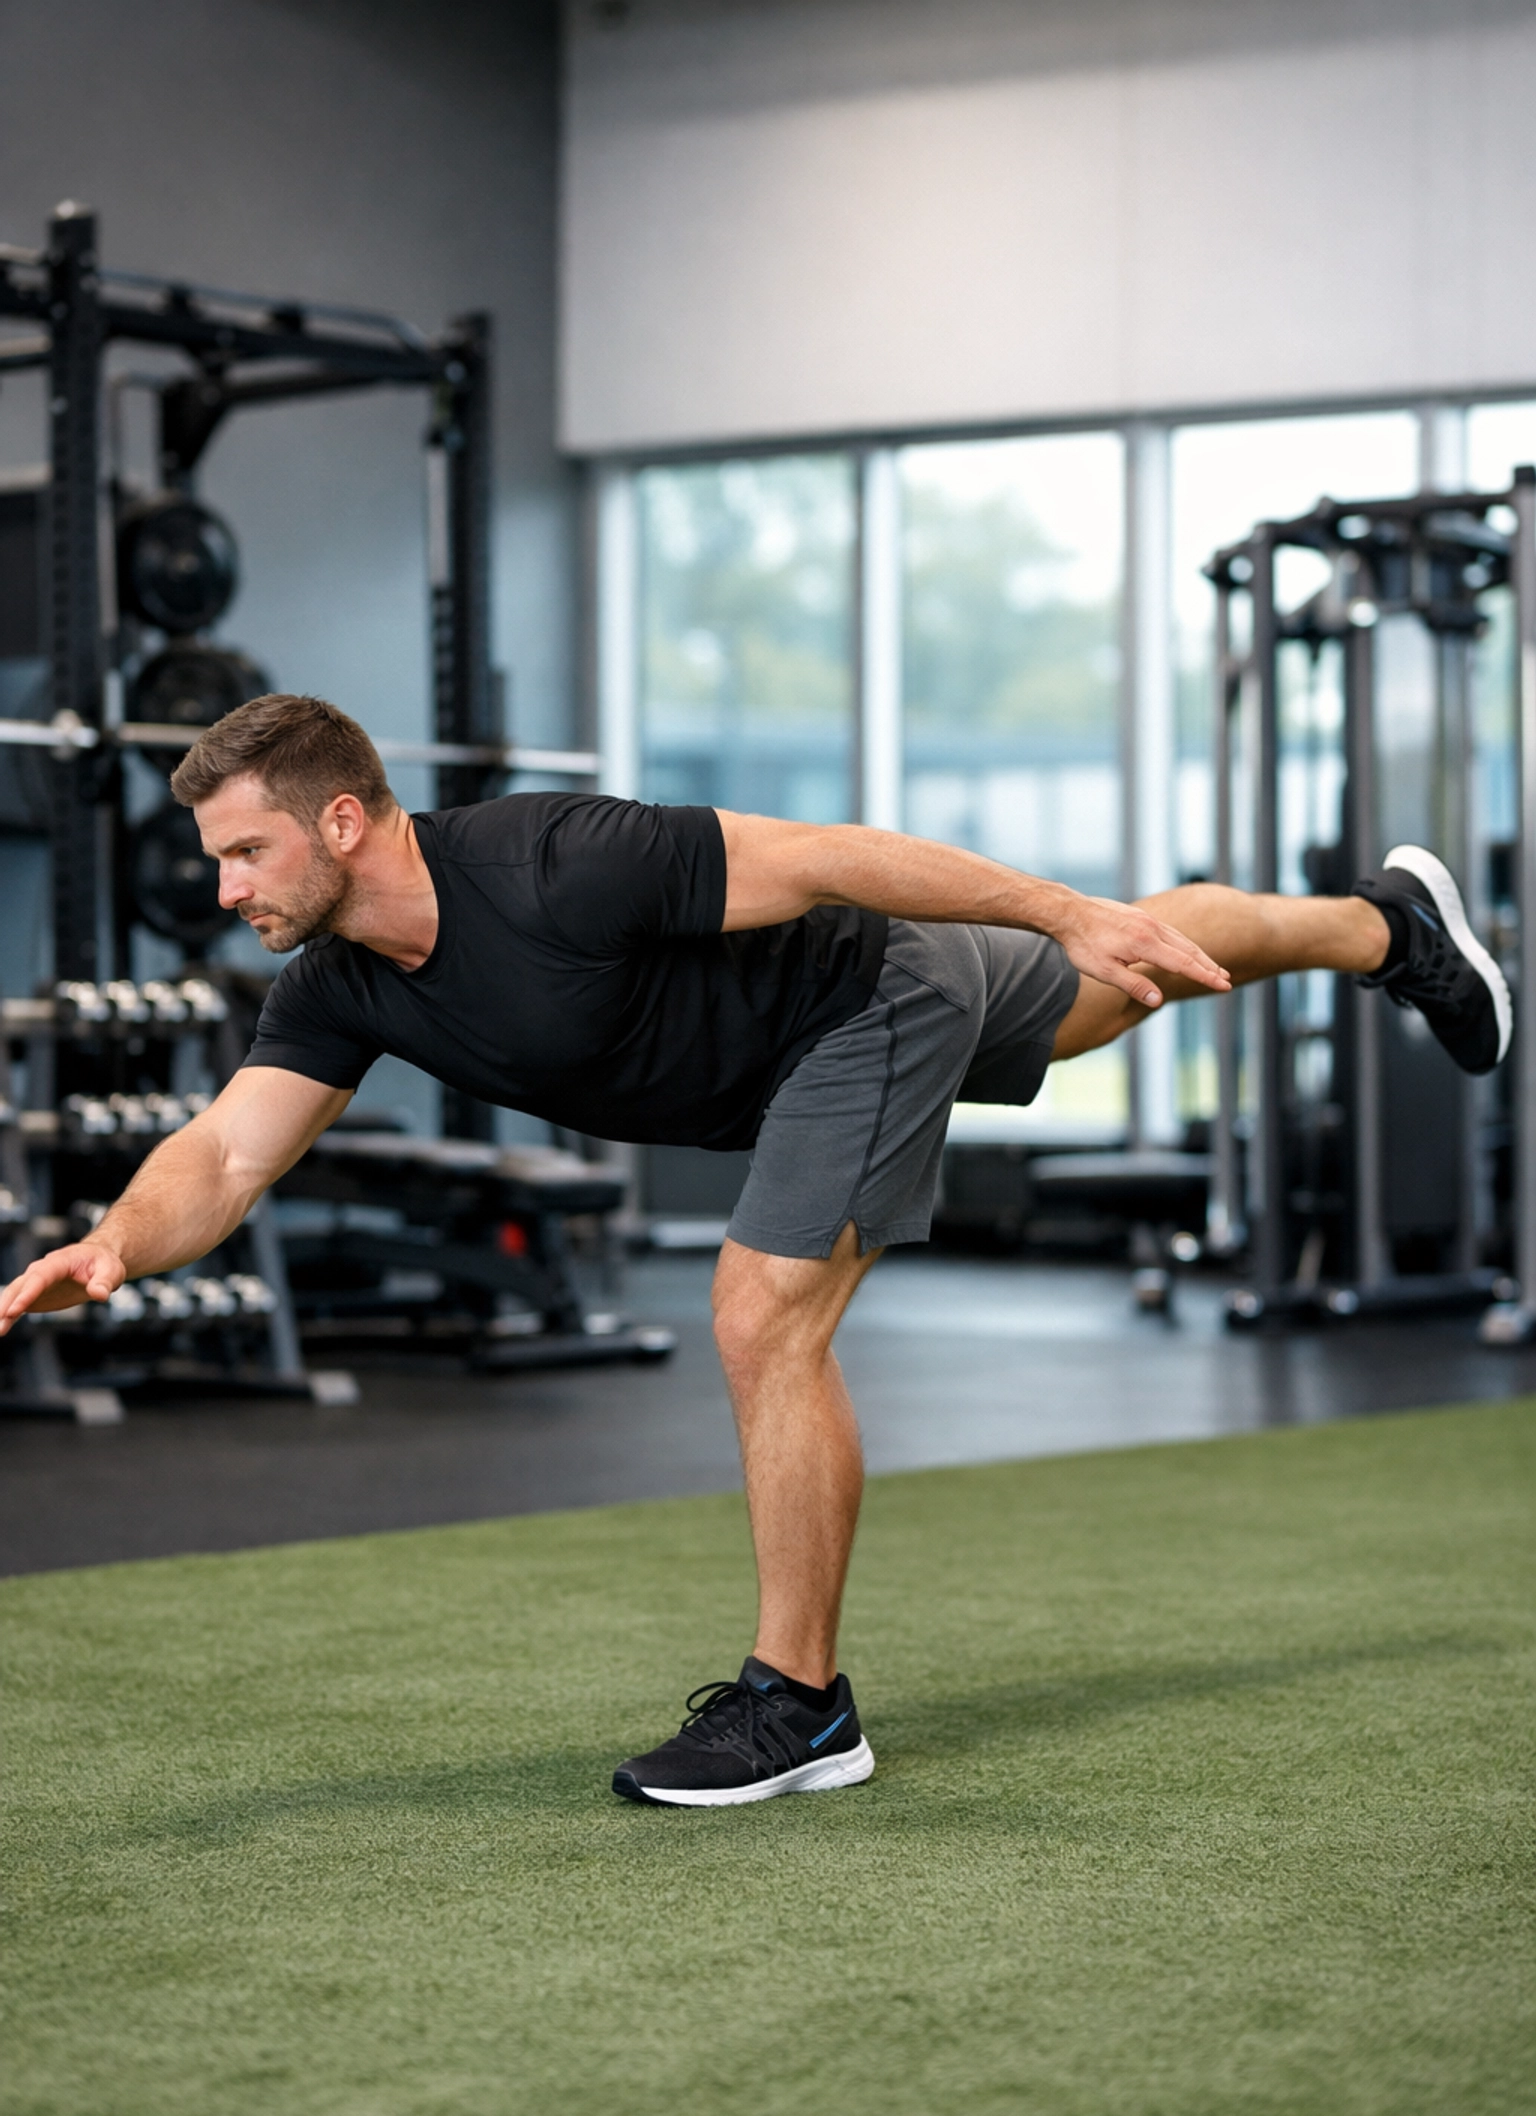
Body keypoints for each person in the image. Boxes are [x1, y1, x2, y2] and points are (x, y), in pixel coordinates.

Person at [0, 696, 1512, 1805]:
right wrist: (119, 1242)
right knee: (1118, 988)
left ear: (341, 820)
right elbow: (229, 1153)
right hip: (862, 1003)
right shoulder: (341, 986)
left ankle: (800, 1709)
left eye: (244, 851)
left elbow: (834, 852)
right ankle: (1386, 930)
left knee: (759, 1315)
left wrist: (1060, 901)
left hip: (860, 1005)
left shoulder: (551, 862)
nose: (226, 888)